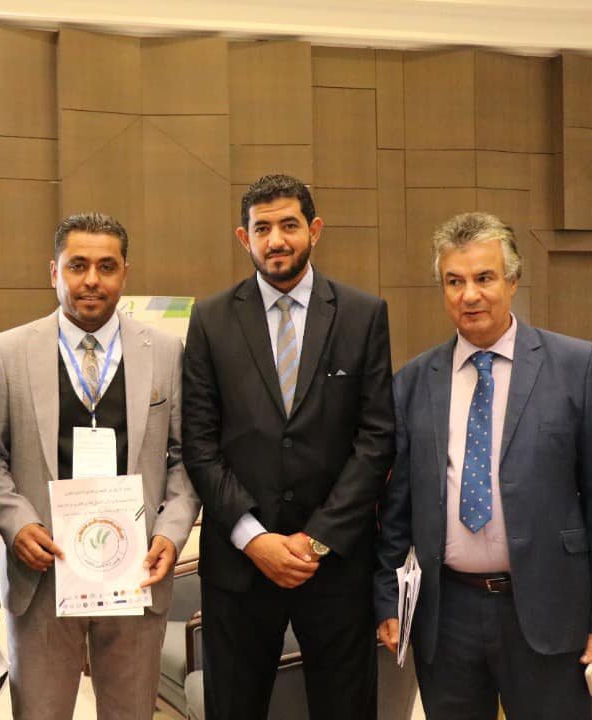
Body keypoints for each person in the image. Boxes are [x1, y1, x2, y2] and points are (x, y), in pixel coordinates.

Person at [375, 211, 592, 719]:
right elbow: (396, 509)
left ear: (513, 280)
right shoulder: (413, 381)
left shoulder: (577, 366)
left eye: (484, 278)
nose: (470, 295)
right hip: (448, 616)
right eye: (454, 281)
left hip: (550, 607)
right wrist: (389, 599)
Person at [182, 174, 395, 719]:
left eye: (289, 225)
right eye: (262, 228)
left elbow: (375, 439)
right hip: (240, 565)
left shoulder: (362, 314)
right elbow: (200, 444)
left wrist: (316, 540)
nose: (276, 240)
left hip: (334, 564)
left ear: (314, 229)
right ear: (243, 237)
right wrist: (255, 539)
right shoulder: (209, 319)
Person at [0, 212, 200, 719]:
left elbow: (186, 457)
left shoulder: (165, 351)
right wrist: (17, 525)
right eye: (77, 265)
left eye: (106, 267)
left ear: (125, 273)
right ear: (54, 272)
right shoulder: (9, 351)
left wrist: (170, 533)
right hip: (43, 571)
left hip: (136, 570)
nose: (91, 280)